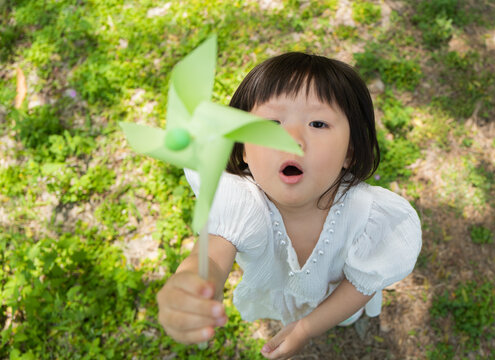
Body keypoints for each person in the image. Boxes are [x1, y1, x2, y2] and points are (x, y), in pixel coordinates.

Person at [157, 52, 422, 359]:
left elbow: (359, 285)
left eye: (318, 123)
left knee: (339, 312)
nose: (293, 138)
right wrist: (192, 285)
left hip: (333, 295)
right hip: (283, 292)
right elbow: (212, 254)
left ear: (349, 153)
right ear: (242, 147)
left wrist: (307, 327)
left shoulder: (368, 217)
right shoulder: (241, 204)